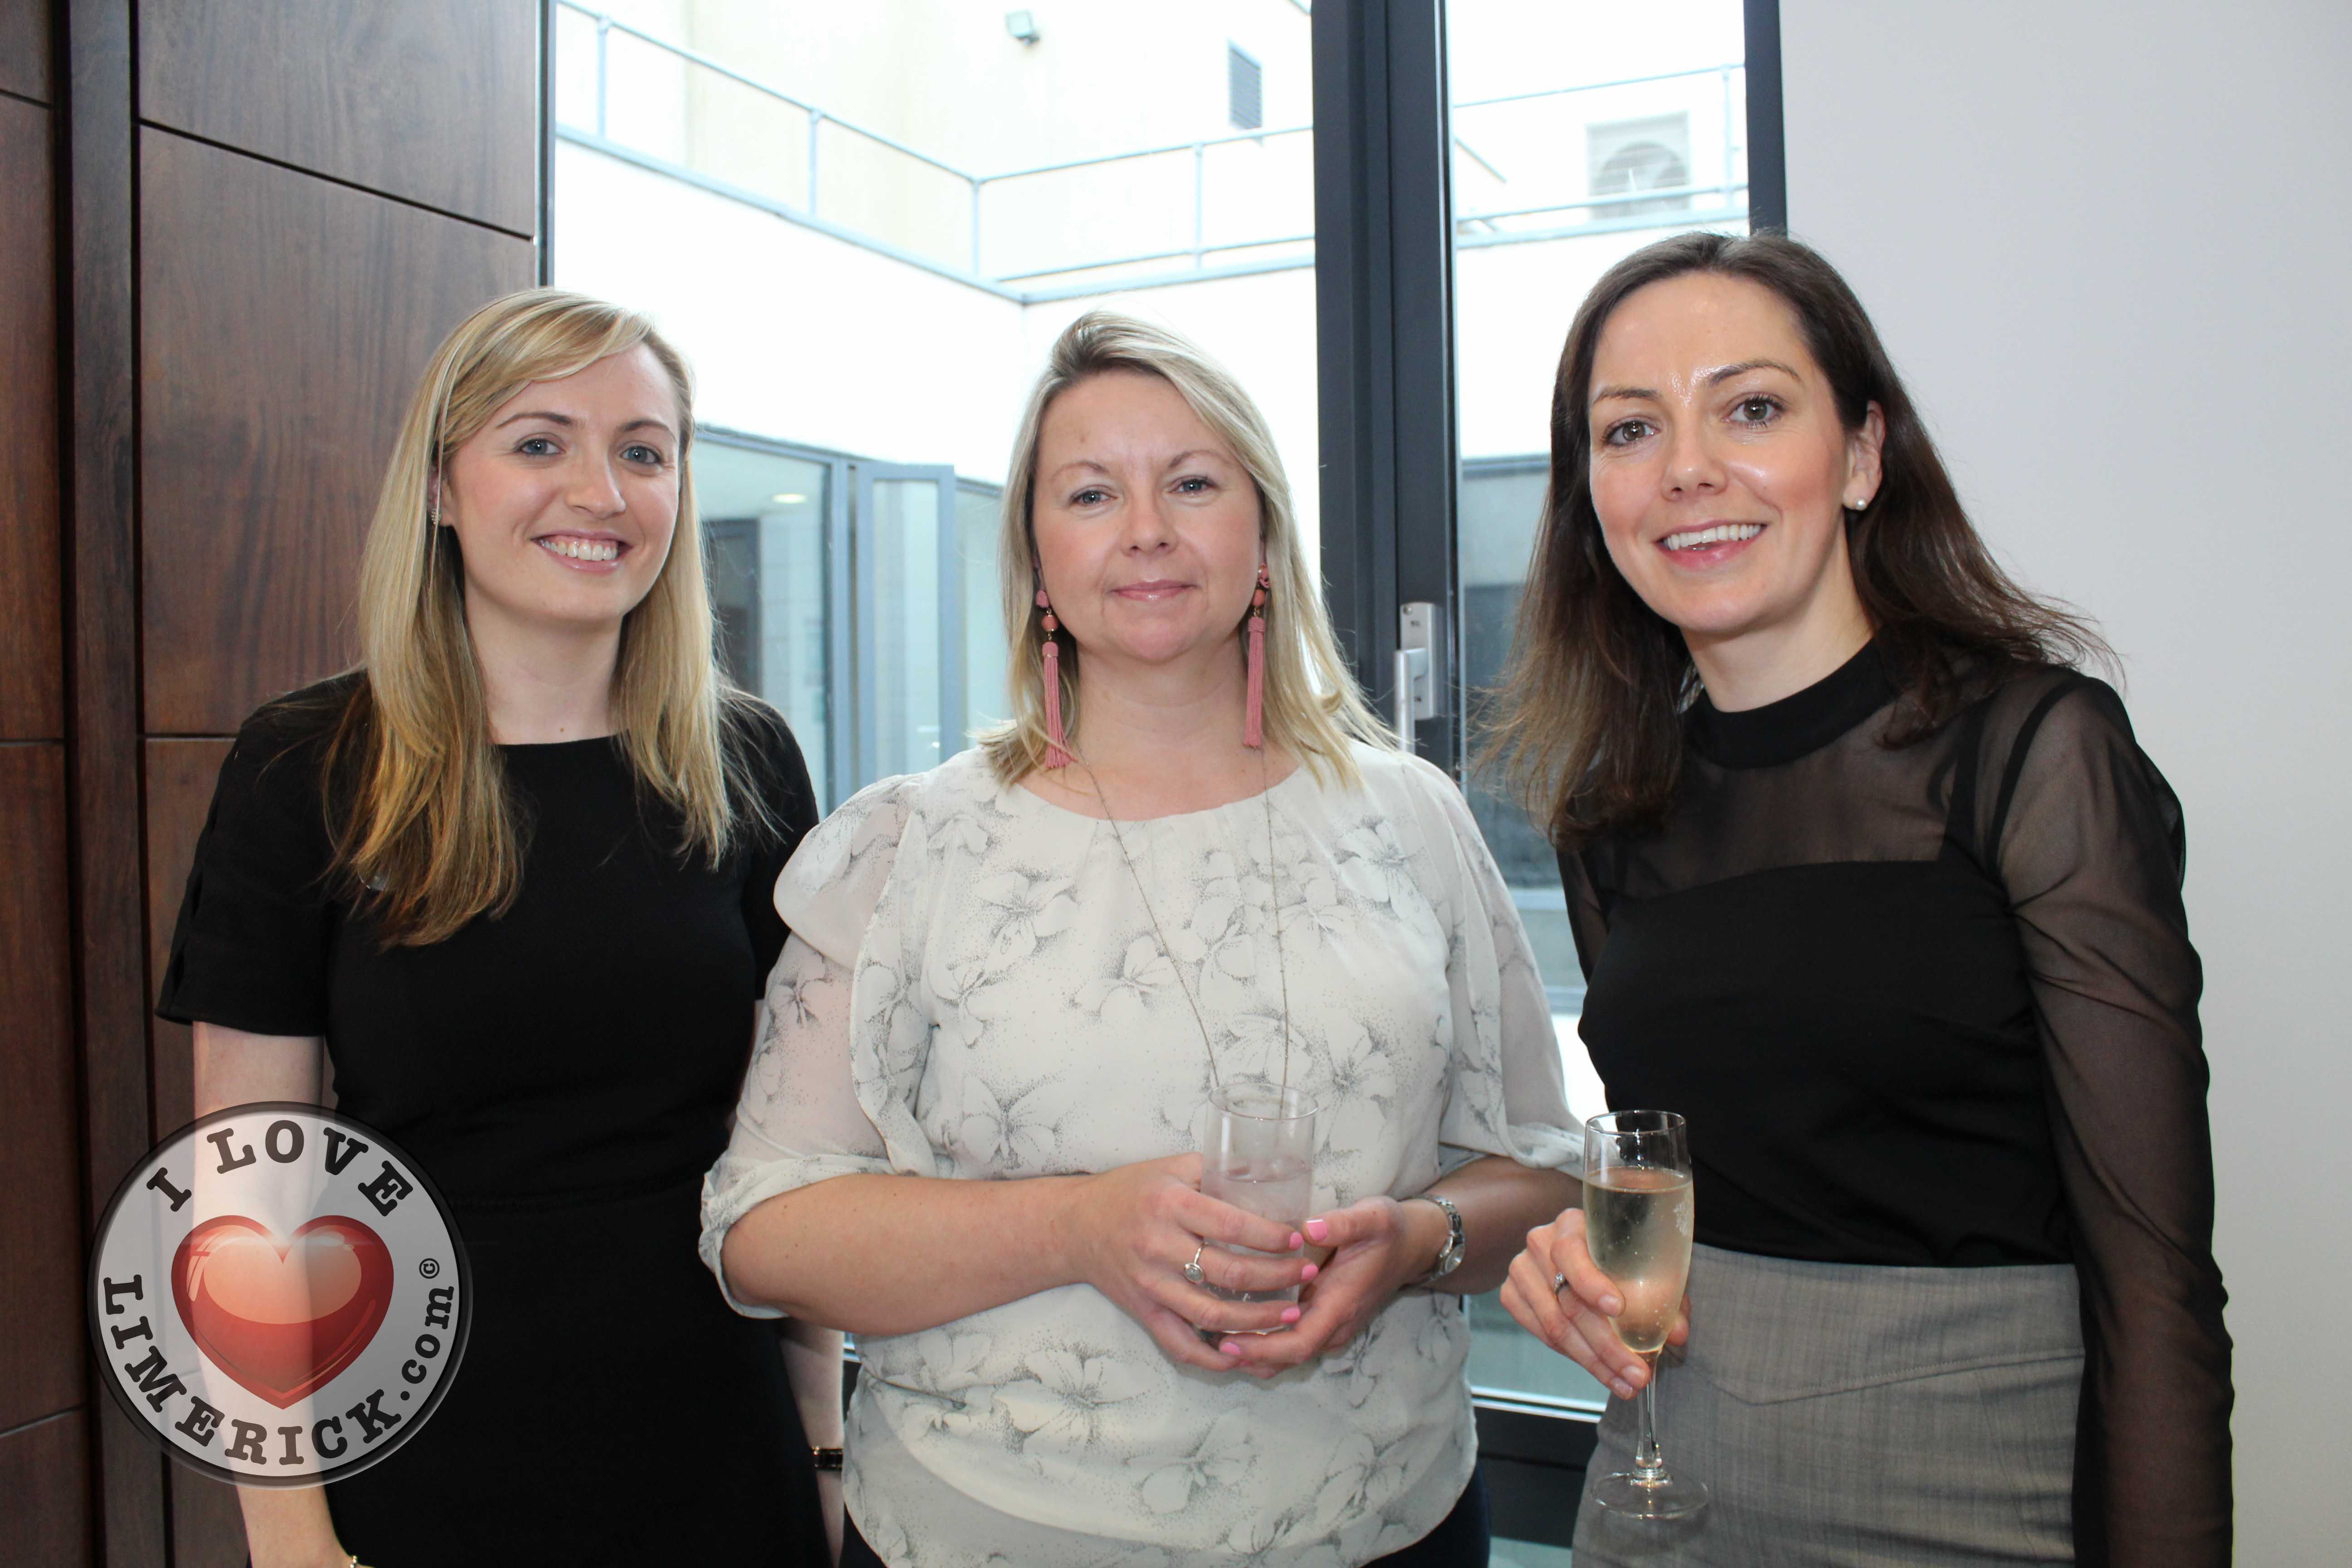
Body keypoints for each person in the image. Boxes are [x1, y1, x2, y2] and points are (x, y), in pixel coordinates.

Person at [700, 311, 1582, 1568]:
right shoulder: (909, 847)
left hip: (1395, 1524)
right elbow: (762, 1227)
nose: (1148, 530)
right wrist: (1078, 1228)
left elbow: (1541, 1170)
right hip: (997, 1534)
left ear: (1264, 540)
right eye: (1091, 493)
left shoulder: (1412, 818)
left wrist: (1412, 1244)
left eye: (1194, 483)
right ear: (1037, 561)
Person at [1486, 231, 2232, 1565]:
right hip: (1665, 1489)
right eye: (1630, 429)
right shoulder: (1612, 820)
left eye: (1752, 408)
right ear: (1591, 494)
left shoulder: (2035, 757)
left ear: (1864, 454)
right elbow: (1726, 1168)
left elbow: (2155, 1281)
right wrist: (1573, 1260)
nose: (1687, 469)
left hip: (1980, 1500)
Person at [158, 289, 838, 1567]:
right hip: (423, 1446)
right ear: (438, 488)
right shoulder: (307, 765)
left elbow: (796, 1158)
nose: (602, 492)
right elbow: (249, 1196)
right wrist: (289, 1535)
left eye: (644, 451)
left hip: (717, 1437)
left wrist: (824, 1452)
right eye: (540, 443)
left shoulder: (745, 761)